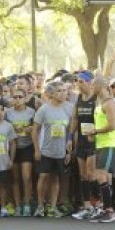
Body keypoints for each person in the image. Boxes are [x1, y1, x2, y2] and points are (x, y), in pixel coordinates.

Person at [32, 81, 72, 217]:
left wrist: (69, 151)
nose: (63, 93)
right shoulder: (44, 109)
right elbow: (35, 130)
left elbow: (71, 130)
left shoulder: (69, 108)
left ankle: (53, 207)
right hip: (46, 150)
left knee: (55, 178)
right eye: (59, 91)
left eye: (64, 90)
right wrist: (37, 149)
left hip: (60, 152)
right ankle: (40, 206)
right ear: (52, 94)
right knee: (43, 177)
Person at [89, 78, 115, 223]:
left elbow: (112, 126)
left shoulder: (109, 103)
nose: (91, 87)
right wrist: (93, 135)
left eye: (92, 85)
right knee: (103, 177)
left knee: (101, 175)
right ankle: (105, 208)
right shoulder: (99, 103)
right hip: (100, 144)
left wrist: (95, 131)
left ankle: (110, 211)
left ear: (99, 86)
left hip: (110, 144)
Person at [70, 71, 99, 220]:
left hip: (94, 140)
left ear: (89, 82)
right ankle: (87, 205)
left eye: (81, 82)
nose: (78, 84)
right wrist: (70, 137)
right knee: (83, 175)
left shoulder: (97, 98)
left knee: (91, 173)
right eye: (77, 82)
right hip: (81, 140)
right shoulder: (79, 98)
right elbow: (75, 119)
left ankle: (98, 204)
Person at [6, 87, 36, 217]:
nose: (17, 99)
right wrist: (11, 128)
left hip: (27, 146)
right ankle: (18, 205)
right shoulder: (8, 113)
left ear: (25, 99)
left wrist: (31, 128)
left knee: (27, 177)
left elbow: (36, 127)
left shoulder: (31, 112)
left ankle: (27, 204)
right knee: (15, 178)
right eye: (15, 97)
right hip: (13, 147)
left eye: (20, 97)